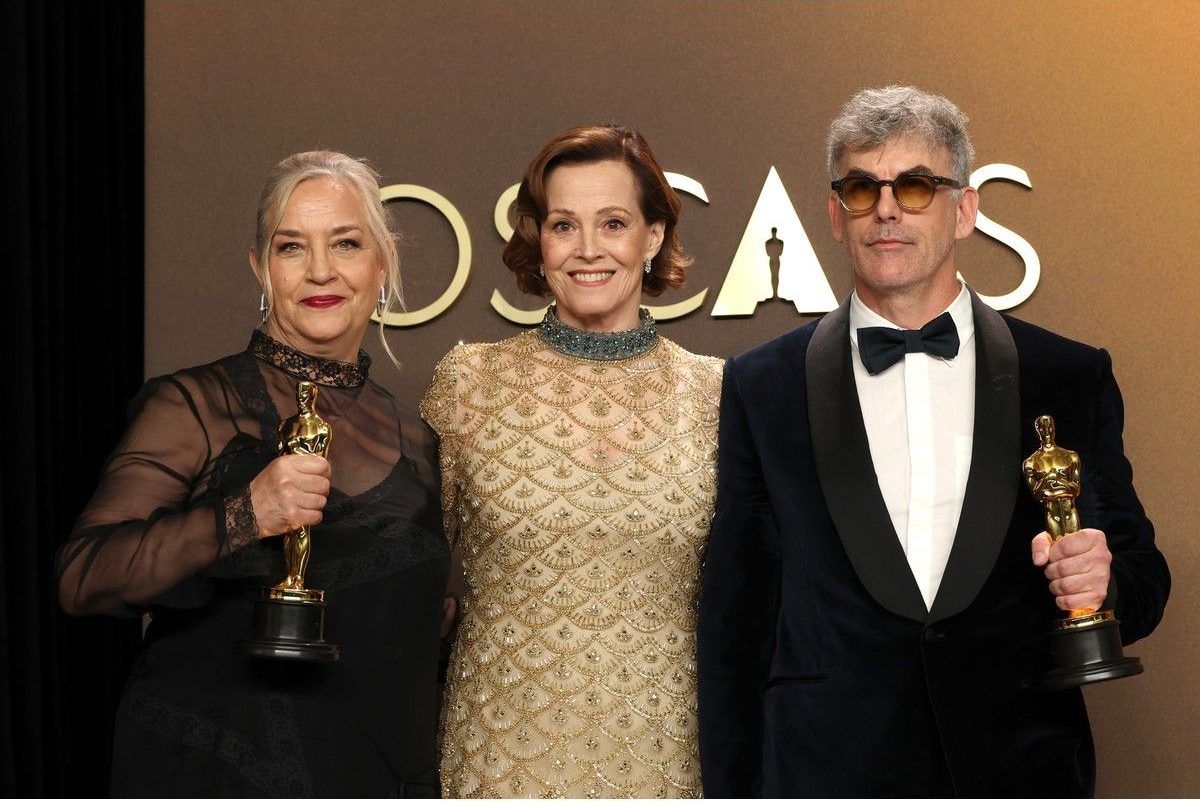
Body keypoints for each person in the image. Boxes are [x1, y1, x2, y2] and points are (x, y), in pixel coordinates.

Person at [697, 86, 1170, 796]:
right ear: (835, 214)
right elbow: (735, 619)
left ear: (965, 210)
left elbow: (1141, 575)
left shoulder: (1067, 376)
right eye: (862, 188)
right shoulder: (761, 386)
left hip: (1019, 767)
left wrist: (1102, 585)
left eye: (916, 186)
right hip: (823, 772)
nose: (886, 209)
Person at [57, 151, 449, 797]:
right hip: (213, 764)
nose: (320, 269)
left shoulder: (416, 437)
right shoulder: (193, 405)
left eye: (345, 243)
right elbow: (82, 577)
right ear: (260, 267)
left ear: (381, 263)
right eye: (292, 246)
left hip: (369, 771)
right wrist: (243, 514)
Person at [422, 124, 722, 798]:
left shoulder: (716, 395)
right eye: (564, 225)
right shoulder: (470, 382)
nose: (588, 249)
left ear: (651, 236)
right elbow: (416, 584)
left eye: (613, 223)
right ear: (539, 240)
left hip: (665, 757)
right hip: (498, 756)